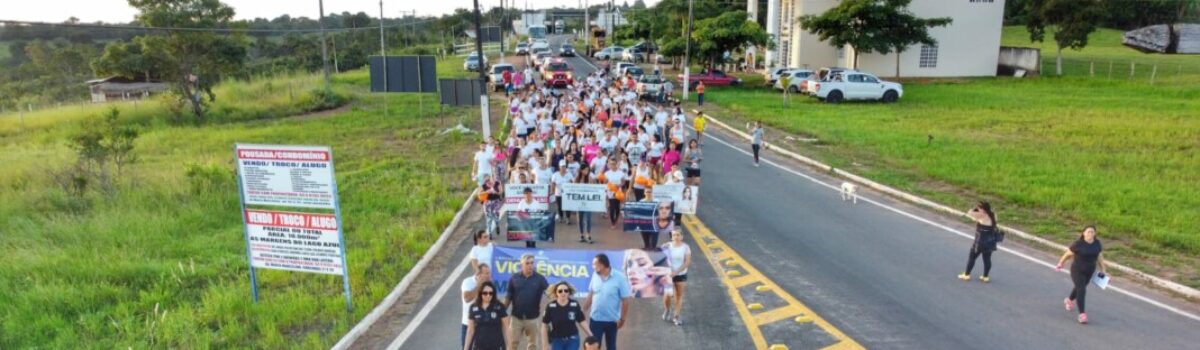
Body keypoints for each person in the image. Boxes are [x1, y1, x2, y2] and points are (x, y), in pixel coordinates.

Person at [1056, 226, 1108, 324]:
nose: (1090, 234)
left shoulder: (1097, 244)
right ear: (1083, 233)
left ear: (1095, 234)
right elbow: (1067, 254)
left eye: (1092, 232)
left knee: (1080, 287)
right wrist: (1060, 263)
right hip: (1077, 270)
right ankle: (1082, 315)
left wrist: (1103, 269)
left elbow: (1099, 256)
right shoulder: (1078, 244)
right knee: (1082, 290)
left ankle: (1069, 300)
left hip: (1089, 271)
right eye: (1088, 232)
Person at [583, 254, 631, 350]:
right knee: (594, 347)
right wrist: (582, 310)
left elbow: (625, 301)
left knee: (611, 346)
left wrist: (622, 319)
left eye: (594, 264)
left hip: (612, 321)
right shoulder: (595, 275)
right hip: (596, 320)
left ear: (602, 265)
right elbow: (591, 294)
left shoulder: (620, 278)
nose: (593, 267)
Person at [507, 254, 549, 350]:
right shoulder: (514, 278)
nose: (530, 265)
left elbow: (549, 294)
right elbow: (508, 297)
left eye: (532, 263)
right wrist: (501, 312)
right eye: (527, 263)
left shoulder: (540, 279)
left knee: (532, 346)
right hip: (516, 318)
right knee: (512, 344)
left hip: (533, 319)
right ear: (522, 264)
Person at [541, 281, 592, 350]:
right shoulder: (550, 306)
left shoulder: (574, 304)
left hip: (572, 340)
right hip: (557, 340)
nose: (563, 293)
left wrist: (591, 335)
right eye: (560, 291)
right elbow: (544, 326)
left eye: (566, 291)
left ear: (569, 292)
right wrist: (545, 345)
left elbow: (582, 321)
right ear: (556, 293)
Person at [958, 202, 1000, 282]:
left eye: (979, 208)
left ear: (983, 209)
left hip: (980, 242)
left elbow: (969, 213)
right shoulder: (993, 215)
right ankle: (985, 277)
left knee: (972, 257)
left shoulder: (981, 215)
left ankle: (966, 274)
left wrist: (974, 209)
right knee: (987, 259)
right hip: (990, 241)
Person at [465, 281, 508, 350]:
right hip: (479, 347)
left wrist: (510, 347)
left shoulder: (499, 307)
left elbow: (506, 329)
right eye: (485, 293)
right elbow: (470, 330)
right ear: (480, 293)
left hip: (497, 347)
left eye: (491, 293)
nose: (488, 295)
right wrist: (466, 348)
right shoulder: (473, 308)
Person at [662, 230, 691, 325]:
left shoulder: (685, 247)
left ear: (682, 236)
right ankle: (667, 310)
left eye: (678, 235)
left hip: (680, 274)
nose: (676, 237)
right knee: (667, 295)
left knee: (679, 295)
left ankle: (676, 316)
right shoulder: (667, 246)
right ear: (671, 237)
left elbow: (687, 262)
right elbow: (659, 258)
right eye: (674, 235)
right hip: (668, 274)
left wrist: (676, 272)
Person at [462, 264, 493, 349]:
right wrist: (479, 286)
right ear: (478, 274)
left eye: (489, 273)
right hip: (468, 323)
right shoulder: (467, 282)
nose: (489, 275)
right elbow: (467, 298)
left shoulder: (489, 285)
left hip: (483, 325)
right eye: (486, 273)